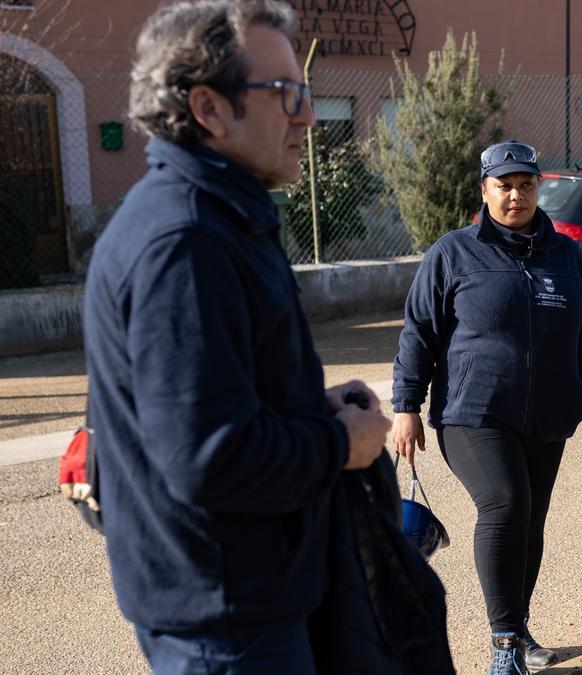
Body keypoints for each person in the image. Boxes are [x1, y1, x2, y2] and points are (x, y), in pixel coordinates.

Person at [83, 1, 396, 671]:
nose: (307, 115)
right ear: (209, 108)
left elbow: (216, 403)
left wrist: (314, 406)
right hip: (228, 625)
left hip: (247, 602)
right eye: (285, 93)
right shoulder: (185, 242)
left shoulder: (217, 219)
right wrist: (341, 441)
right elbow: (209, 456)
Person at [391, 140, 582, 674]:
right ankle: (504, 645)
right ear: (486, 190)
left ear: (539, 187)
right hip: (472, 412)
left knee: (530, 522)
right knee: (505, 504)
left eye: (527, 184)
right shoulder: (454, 252)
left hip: (549, 414)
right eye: (505, 185)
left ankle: (519, 625)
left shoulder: (564, 255)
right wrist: (406, 405)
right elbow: (419, 331)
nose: (517, 195)